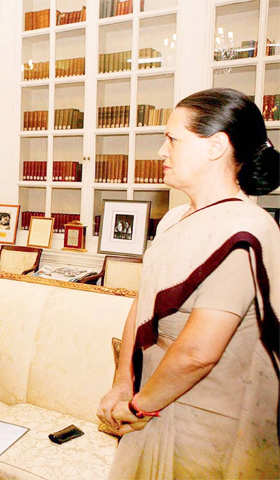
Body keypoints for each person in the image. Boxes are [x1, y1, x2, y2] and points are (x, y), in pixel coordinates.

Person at [97, 88, 280, 479]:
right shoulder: (173, 220)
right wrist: (121, 384)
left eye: (172, 139)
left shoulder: (246, 230)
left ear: (215, 147)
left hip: (209, 419)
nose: (161, 152)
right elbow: (142, 303)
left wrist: (138, 407)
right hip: (151, 399)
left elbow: (198, 353)